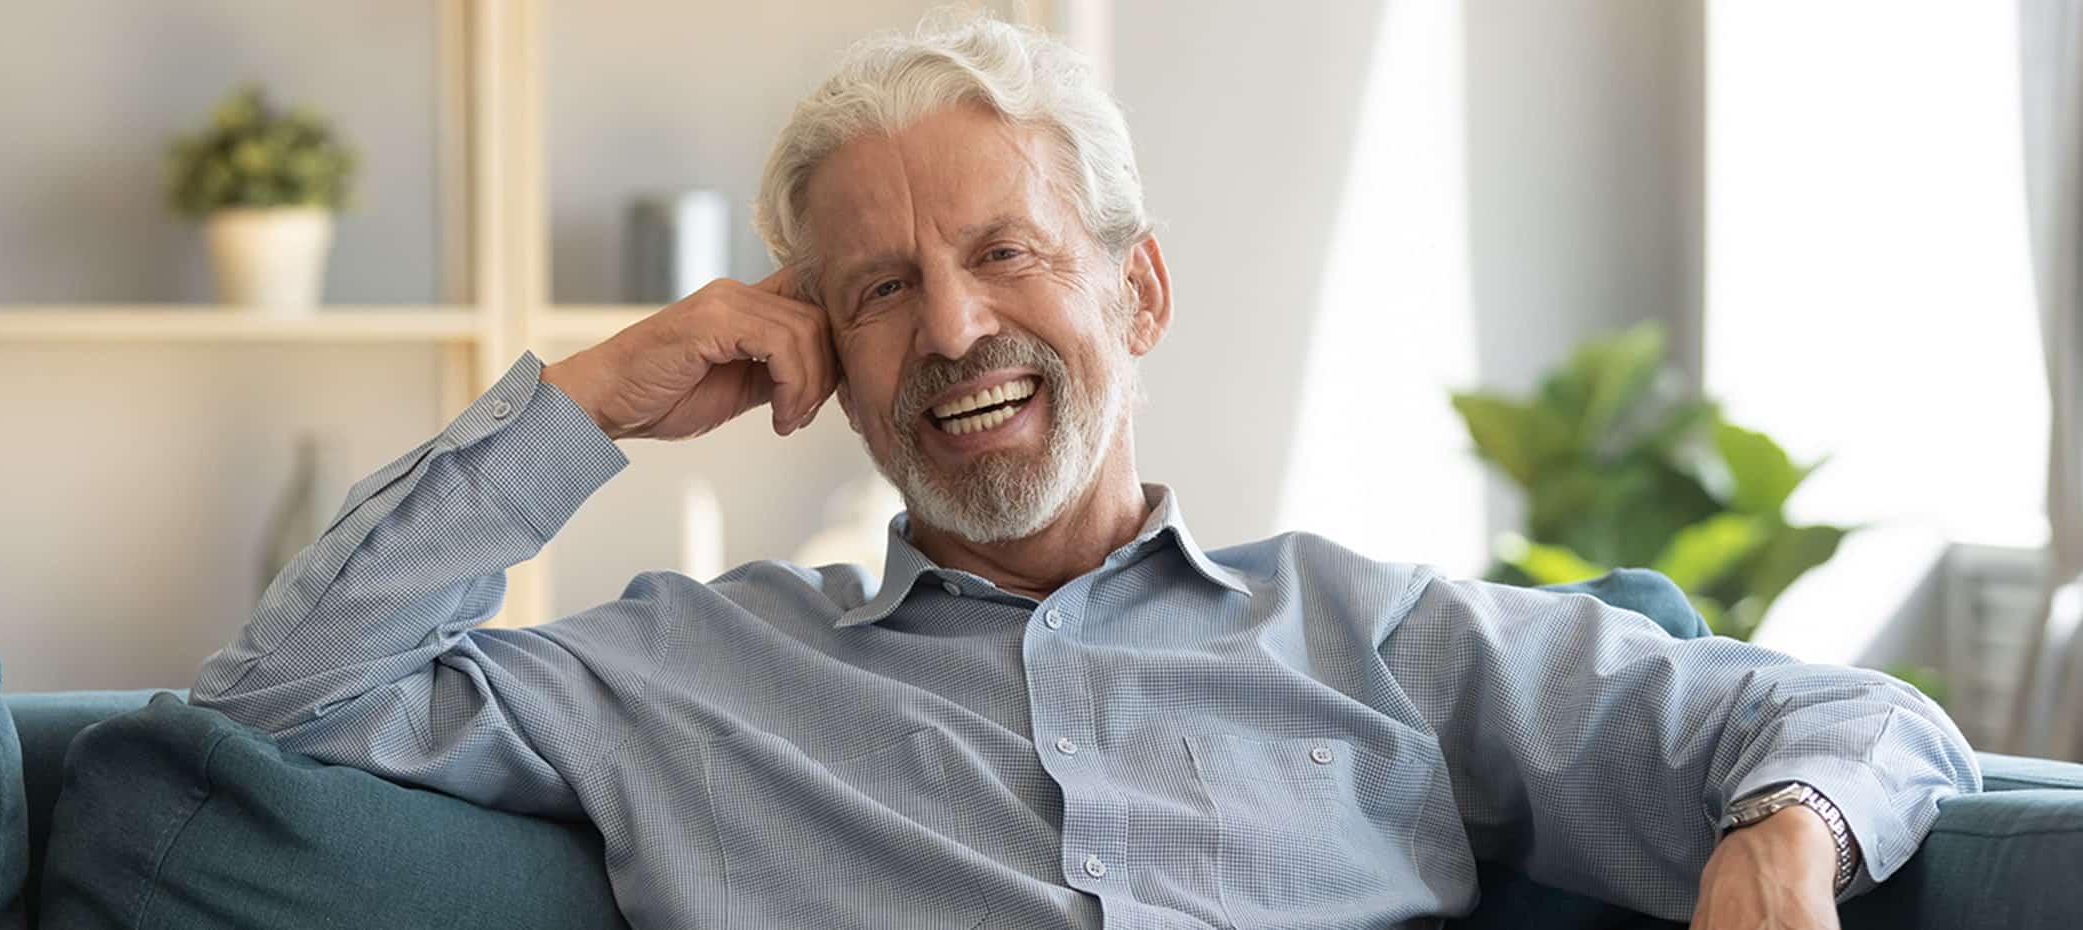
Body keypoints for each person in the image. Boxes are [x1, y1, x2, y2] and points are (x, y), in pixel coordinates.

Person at [193, 15, 1976, 930]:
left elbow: (1855, 718)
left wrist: (1783, 839)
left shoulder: (1376, 635)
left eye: (1009, 255)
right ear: (820, 358)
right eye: (881, 288)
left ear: (1140, 289)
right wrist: (587, 396)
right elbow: (269, 708)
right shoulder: (680, 675)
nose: (956, 328)